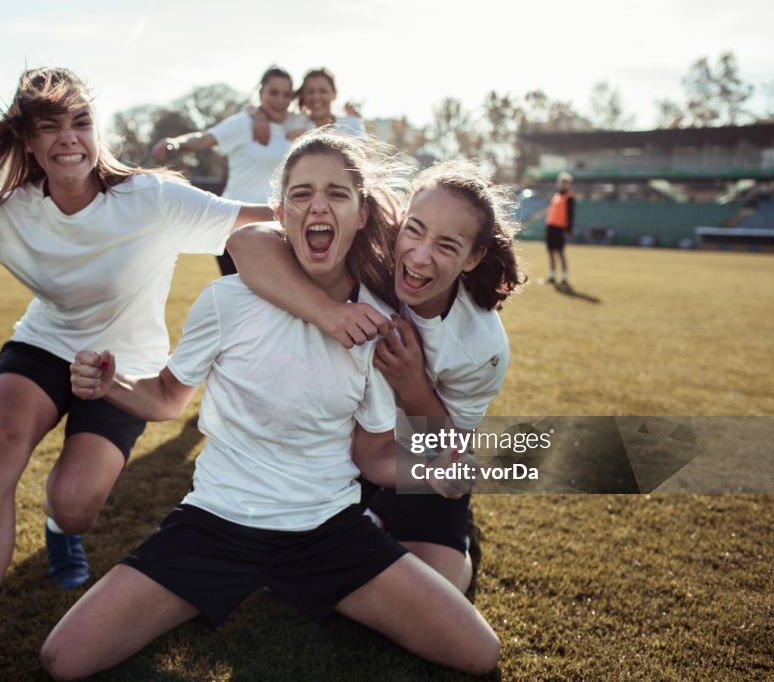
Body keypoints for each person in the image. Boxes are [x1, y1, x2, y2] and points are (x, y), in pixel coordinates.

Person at [42, 130, 500, 680]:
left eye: (336, 193)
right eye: (301, 193)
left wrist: (431, 468)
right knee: (64, 659)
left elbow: (373, 452)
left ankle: (350, 557)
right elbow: (165, 397)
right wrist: (111, 384)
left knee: (478, 651)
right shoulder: (226, 300)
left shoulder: (378, 324)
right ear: (281, 210)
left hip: (327, 531)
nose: (318, 206)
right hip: (215, 523)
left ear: (361, 214)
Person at [0, 67, 273, 682]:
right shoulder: (8, 213)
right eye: (51, 126)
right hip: (43, 346)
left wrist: (349, 213)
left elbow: (261, 217)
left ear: (99, 132)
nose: (70, 137)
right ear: (29, 143)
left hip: (125, 369)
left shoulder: (152, 198)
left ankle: (57, 527)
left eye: (82, 121)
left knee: (76, 507)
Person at [227, 159, 524, 600]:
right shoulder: (372, 253)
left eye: (447, 245)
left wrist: (413, 384)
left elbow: (446, 446)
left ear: (473, 257)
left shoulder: (481, 346)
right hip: (341, 442)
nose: (420, 256)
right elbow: (247, 242)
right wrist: (329, 312)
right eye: (416, 230)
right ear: (400, 221)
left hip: (414, 453)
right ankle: (362, 516)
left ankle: (416, 525)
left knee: (436, 591)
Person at [151, 66, 300, 276]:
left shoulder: (299, 123)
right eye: (273, 93)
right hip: (237, 224)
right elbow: (205, 139)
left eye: (286, 94)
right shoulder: (243, 123)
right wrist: (176, 143)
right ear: (260, 94)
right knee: (240, 298)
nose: (280, 100)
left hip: (279, 226)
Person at [545, 171, 574, 285]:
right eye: (561, 182)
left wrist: (568, 229)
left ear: (568, 184)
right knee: (551, 251)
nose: (562, 185)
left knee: (560, 252)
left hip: (560, 228)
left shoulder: (569, 197)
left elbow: (571, 214)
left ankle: (564, 277)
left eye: (565, 183)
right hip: (551, 226)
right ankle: (552, 275)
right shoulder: (556, 195)